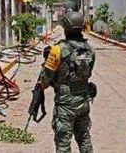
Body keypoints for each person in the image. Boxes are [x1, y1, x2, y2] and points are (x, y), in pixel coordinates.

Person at [38, 11, 96, 153]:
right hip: (83, 101)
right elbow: (86, 76)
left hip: (65, 105)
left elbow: (45, 80)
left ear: (65, 28)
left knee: (63, 143)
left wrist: (46, 61)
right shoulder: (90, 50)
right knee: (84, 137)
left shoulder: (58, 50)